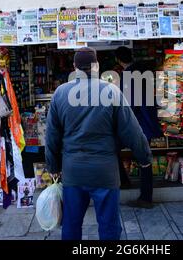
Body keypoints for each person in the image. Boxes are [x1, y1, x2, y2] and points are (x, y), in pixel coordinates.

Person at [45, 47, 152, 240]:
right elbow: (132, 130)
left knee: (71, 224)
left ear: (74, 67)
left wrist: (52, 166)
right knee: (109, 226)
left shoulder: (60, 93)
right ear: (97, 66)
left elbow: (51, 135)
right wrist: (144, 157)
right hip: (105, 173)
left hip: (73, 172)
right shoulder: (111, 90)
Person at [114, 46, 163, 209]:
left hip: (135, 124)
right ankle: (134, 188)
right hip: (146, 122)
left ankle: (144, 196)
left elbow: (127, 104)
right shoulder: (145, 73)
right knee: (144, 159)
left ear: (118, 60)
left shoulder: (127, 76)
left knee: (113, 149)